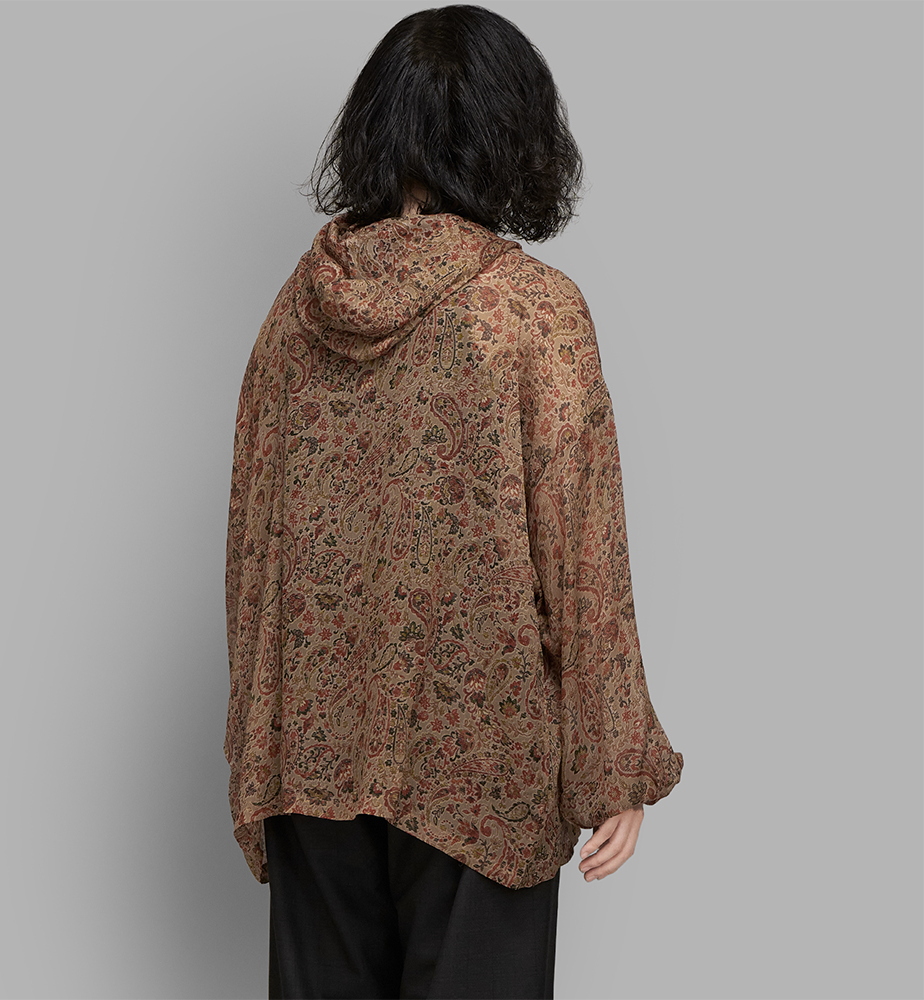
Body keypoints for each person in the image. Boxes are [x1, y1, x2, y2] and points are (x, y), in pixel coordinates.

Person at [223, 6, 684, 998]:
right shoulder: (531, 311)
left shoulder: (295, 312)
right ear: (514, 134)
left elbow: (249, 548)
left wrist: (257, 750)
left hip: (310, 755)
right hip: (477, 765)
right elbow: (583, 554)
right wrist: (613, 765)